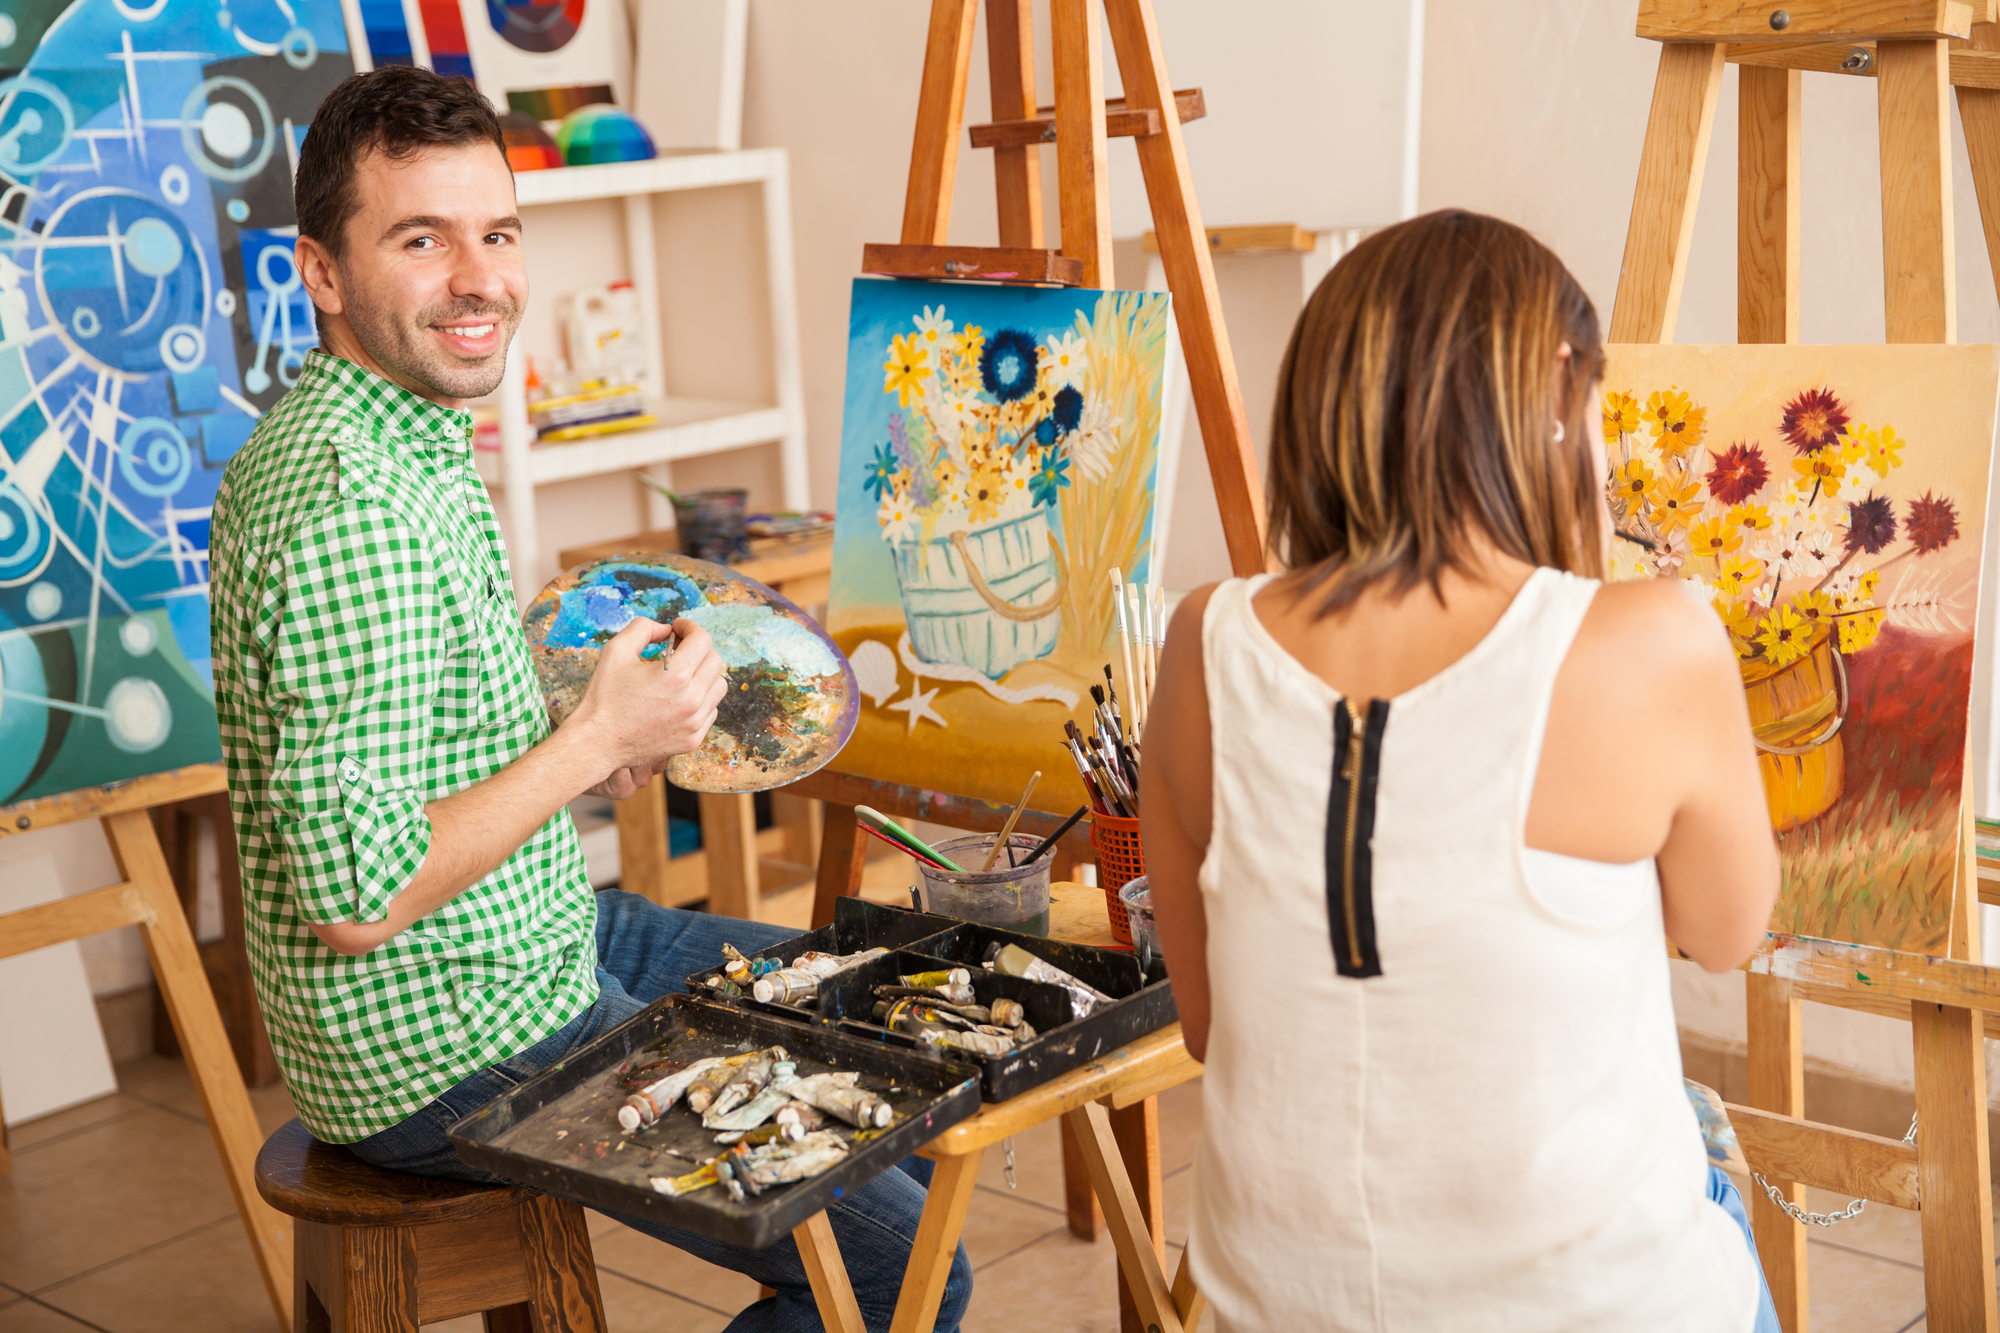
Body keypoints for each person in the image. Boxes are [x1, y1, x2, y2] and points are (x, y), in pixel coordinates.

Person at [208, 66, 970, 1333]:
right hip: (439, 1033)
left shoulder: (397, 434)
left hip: (524, 933)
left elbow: (408, 755)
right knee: (904, 1266)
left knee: (895, 1027)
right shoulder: (350, 501)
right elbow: (353, 900)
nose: (479, 279)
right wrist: (596, 740)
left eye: (496, 234)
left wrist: (597, 743)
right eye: (421, 239)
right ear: (321, 271)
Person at [1141, 210, 1783, 1331]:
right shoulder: (1650, 636)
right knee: (1710, 1178)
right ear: (1548, 387)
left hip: (1271, 1306)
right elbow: (1729, 932)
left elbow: (1207, 1029)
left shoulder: (1202, 638)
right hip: (1586, 1307)